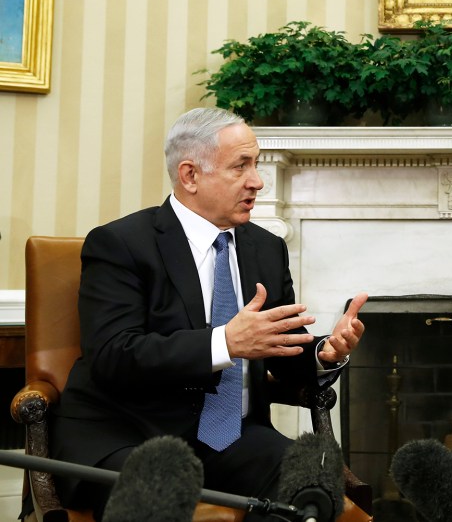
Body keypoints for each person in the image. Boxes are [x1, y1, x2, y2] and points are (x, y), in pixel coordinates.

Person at [48, 107, 368, 520]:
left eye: (256, 164)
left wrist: (325, 354)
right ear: (190, 175)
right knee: (163, 488)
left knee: (312, 481)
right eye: (241, 166)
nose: (257, 180)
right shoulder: (120, 244)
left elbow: (277, 352)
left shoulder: (266, 249)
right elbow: (113, 354)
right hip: (128, 436)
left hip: (231, 440)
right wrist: (224, 343)